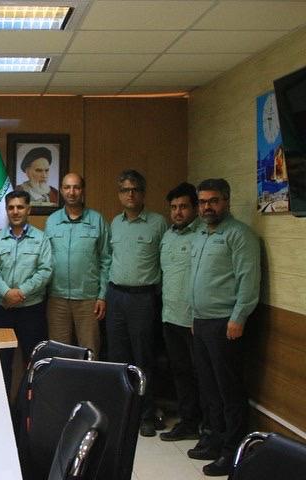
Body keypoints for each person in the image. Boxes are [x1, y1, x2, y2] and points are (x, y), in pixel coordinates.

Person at [188, 179, 260, 477]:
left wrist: (238, 318)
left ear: (226, 201)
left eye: (213, 201)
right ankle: (215, 440)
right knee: (209, 388)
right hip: (201, 321)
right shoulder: (200, 234)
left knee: (229, 390)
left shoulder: (239, 235)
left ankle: (232, 453)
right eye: (203, 202)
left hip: (225, 323)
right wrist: (194, 316)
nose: (207, 207)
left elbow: (248, 281)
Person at [105, 169, 167, 437]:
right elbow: (110, 259)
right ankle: (122, 412)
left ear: (143, 193)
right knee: (117, 357)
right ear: (119, 195)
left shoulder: (158, 223)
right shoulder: (115, 223)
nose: (130, 195)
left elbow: (166, 262)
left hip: (143, 298)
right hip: (116, 296)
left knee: (143, 358)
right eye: (125, 190)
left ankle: (146, 415)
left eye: (135, 190)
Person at [0, 190, 52, 392]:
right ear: (6, 210)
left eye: (20, 207)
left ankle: (29, 408)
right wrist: (7, 293)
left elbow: (45, 271)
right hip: (2, 310)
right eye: (11, 207)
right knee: (1, 363)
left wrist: (20, 292)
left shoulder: (41, 239)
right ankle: (2, 405)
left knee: (34, 363)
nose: (15, 211)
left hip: (31, 311)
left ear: (28, 210)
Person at [45, 173, 110, 358]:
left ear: (82, 190)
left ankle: (89, 379)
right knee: (58, 353)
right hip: (57, 298)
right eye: (67, 187)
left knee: (90, 352)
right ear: (61, 190)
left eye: (76, 187)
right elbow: (45, 260)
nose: (71, 192)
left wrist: (102, 296)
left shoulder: (97, 220)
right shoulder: (52, 221)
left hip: (88, 300)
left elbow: (106, 260)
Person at [158, 183, 203, 442]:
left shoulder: (202, 235)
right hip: (170, 316)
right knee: (180, 373)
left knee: (201, 375)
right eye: (174, 207)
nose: (178, 212)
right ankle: (188, 422)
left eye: (183, 206)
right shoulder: (168, 236)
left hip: (194, 320)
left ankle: (208, 426)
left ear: (195, 208)